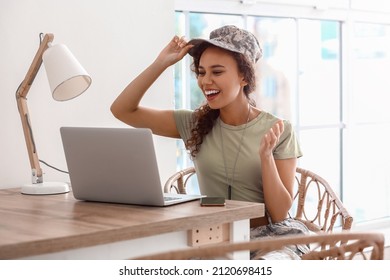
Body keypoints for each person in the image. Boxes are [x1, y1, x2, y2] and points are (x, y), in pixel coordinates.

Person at [111, 25, 309, 259]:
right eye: (201, 72)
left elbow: (279, 214)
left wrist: (266, 157)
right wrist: (160, 64)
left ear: (244, 76)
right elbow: (122, 110)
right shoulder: (193, 123)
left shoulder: (278, 129)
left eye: (216, 72)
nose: (206, 81)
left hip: (272, 241)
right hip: (215, 238)